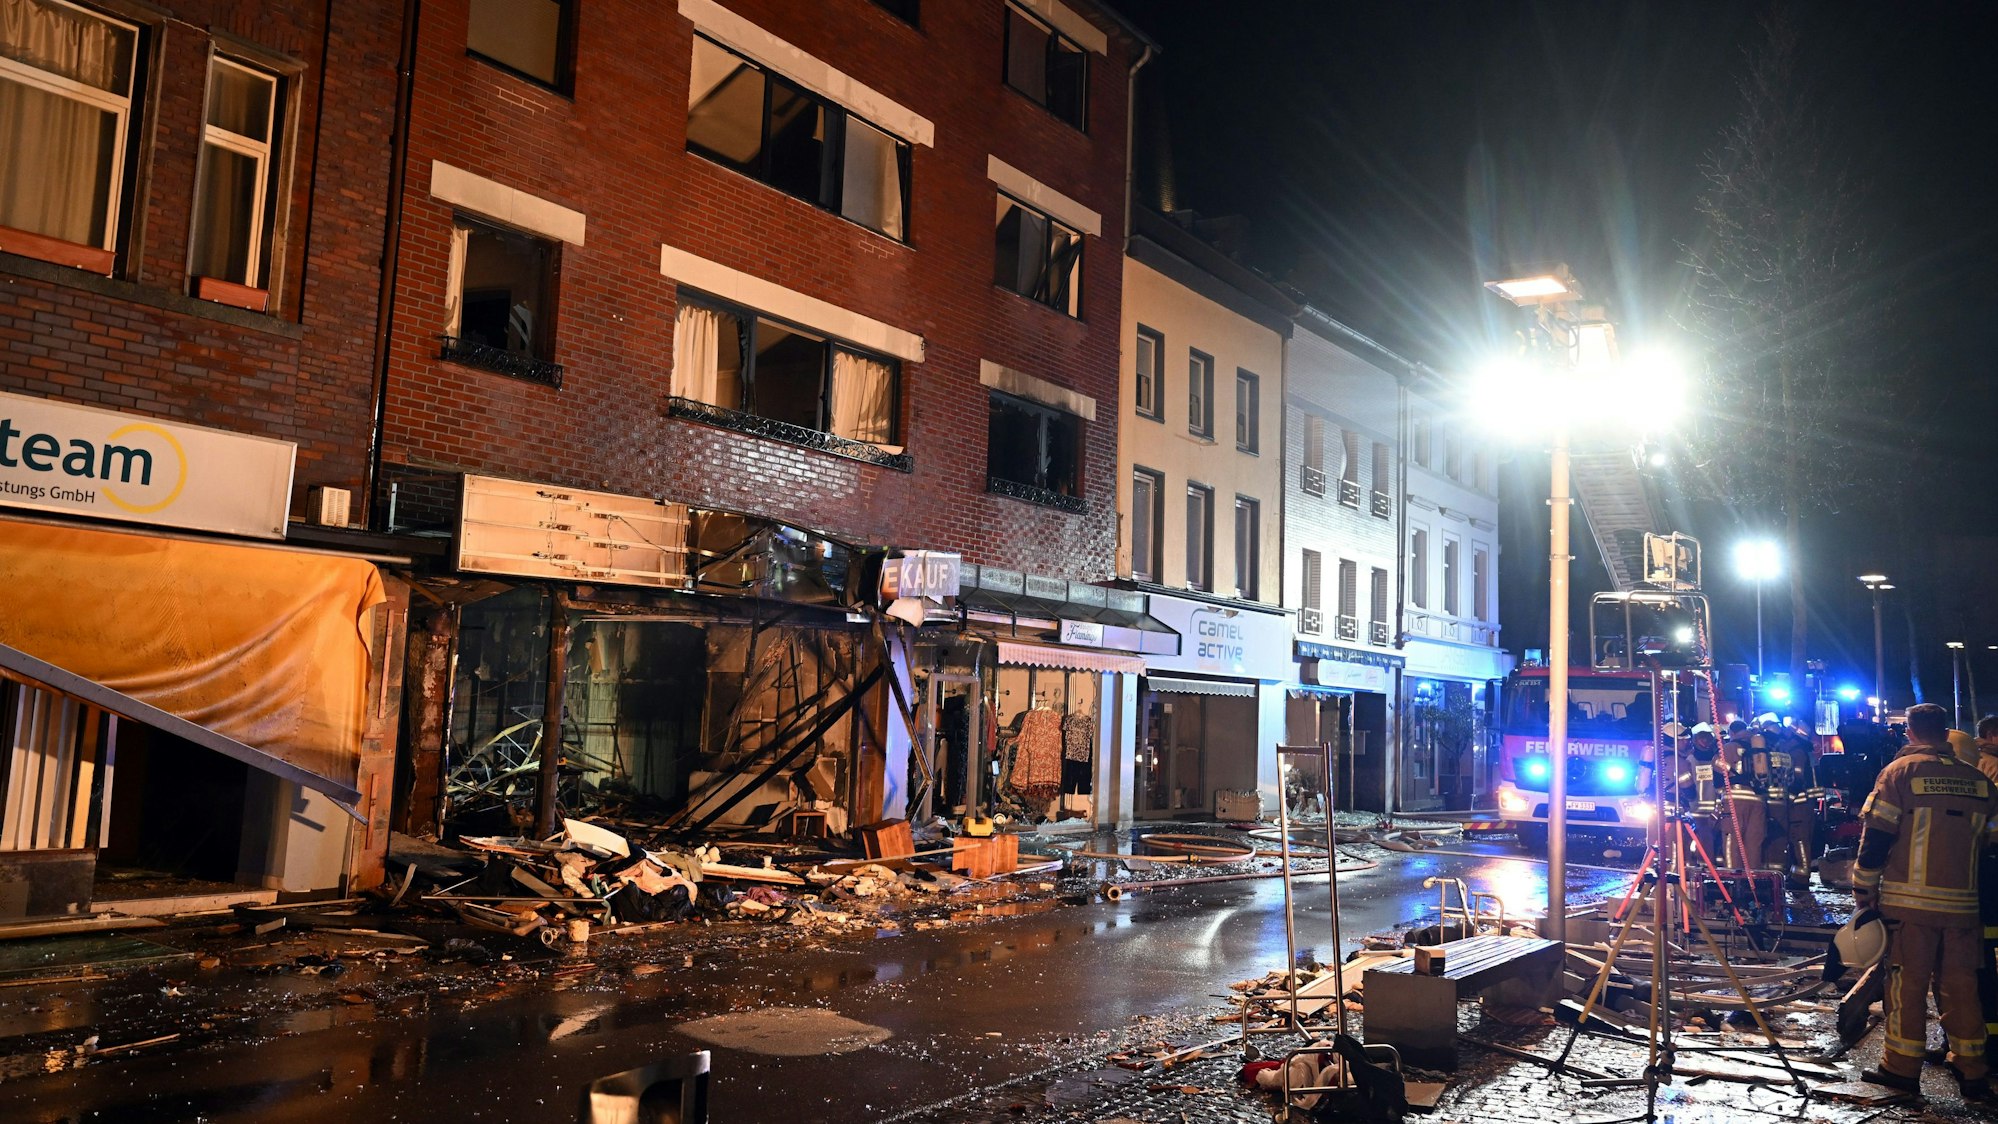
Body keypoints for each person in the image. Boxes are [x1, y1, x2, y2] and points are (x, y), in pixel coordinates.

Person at [1854, 703, 1998, 1097]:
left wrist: (1863, 890)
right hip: (1963, 908)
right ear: (1946, 732)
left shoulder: (1900, 773)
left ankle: (1900, 1069)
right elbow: (1990, 843)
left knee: (1907, 985)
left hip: (1908, 907)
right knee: (1961, 987)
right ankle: (1973, 1072)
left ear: (1911, 732)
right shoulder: (1980, 782)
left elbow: (1877, 839)